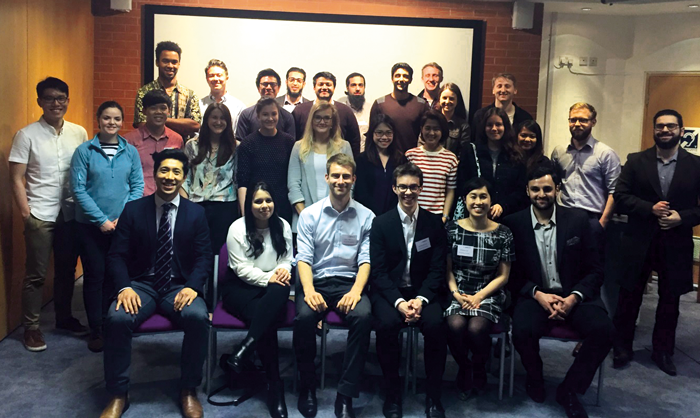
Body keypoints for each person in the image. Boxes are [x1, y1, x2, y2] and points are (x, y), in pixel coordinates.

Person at [101, 149, 212, 418]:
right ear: (155, 173)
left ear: (184, 177)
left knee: (198, 317)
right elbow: (116, 255)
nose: (169, 177)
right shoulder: (133, 210)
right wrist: (124, 287)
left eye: (176, 171)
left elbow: (204, 257)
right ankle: (118, 393)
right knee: (117, 318)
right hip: (141, 284)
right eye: (164, 170)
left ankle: (188, 389)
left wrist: (192, 286)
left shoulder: (196, 213)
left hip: (179, 286)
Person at [502, 163, 613, 418]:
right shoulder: (513, 224)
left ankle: (569, 390)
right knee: (522, 330)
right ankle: (535, 376)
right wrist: (537, 294)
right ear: (527, 191)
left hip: (575, 295)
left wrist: (573, 298)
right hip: (535, 295)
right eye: (535, 189)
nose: (541, 194)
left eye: (547, 189)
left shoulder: (578, 220)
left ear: (557, 189)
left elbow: (596, 270)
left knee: (605, 331)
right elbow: (511, 275)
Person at [612, 109, 700, 376]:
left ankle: (663, 351)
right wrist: (649, 208)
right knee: (629, 297)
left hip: (676, 243)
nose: (665, 130)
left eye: (671, 126)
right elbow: (620, 196)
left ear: (681, 131)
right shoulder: (636, 161)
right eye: (660, 126)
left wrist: (682, 217)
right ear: (654, 130)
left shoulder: (696, 165)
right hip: (638, 241)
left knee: (670, 301)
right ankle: (622, 347)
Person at [9, 77, 89, 351]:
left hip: (70, 212)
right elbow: (16, 178)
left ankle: (64, 318)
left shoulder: (79, 133)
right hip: (40, 213)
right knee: (36, 274)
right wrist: (26, 213)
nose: (56, 103)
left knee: (66, 270)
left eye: (61, 98)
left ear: (68, 100)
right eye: (49, 98)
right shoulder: (26, 135)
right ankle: (31, 328)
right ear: (40, 102)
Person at [294, 154, 374, 418]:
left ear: (354, 179)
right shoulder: (309, 214)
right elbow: (304, 259)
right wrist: (308, 291)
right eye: (336, 175)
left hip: (349, 283)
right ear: (327, 178)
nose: (341, 181)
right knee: (304, 318)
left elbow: (365, 260)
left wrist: (356, 291)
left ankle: (346, 394)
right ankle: (307, 387)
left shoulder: (367, 216)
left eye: (346, 176)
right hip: (316, 281)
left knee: (363, 316)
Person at [369, 163, 448, 418]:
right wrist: (399, 303)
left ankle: (434, 395)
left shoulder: (434, 223)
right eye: (402, 186)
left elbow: (437, 269)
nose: (408, 192)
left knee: (436, 325)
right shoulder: (380, 224)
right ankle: (392, 393)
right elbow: (378, 272)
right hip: (390, 292)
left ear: (421, 188)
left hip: (424, 291)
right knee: (387, 324)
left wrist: (421, 299)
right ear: (394, 188)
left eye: (413, 187)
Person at [70, 101, 144, 352]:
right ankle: (97, 329)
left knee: (117, 275)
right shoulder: (84, 151)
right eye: (106, 118)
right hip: (90, 227)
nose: (111, 123)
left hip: (122, 226)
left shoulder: (130, 151)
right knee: (95, 276)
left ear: (122, 121)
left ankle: (115, 324)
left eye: (116, 119)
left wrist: (123, 218)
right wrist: (101, 220)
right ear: (98, 119)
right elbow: (78, 189)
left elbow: (137, 186)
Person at [221, 182, 294, 418]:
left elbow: (287, 260)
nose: (264, 205)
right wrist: (270, 278)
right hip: (239, 288)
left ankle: (245, 349)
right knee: (268, 318)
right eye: (258, 201)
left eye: (268, 200)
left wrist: (280, 273)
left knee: (279, 291)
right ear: (249, 205)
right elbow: (241, 269)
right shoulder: (237, 228)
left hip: (272, 289)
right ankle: (275, 385)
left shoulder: (282, 225)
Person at [445, 177, 512, 400]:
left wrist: (479, 296)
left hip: (489, 293)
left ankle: (479, 365)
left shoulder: (503, 233)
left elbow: (503, 275)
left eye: (483, 196)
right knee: (455, 325)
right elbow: (447, 270)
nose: (478, 201)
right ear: (464, 200)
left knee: (476, 328)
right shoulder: (452, 229)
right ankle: (465, 366)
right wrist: (456, 294)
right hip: (458, 291)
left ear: (491, 200)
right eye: (473, 196)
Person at [551, 102, 620, 229]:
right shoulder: (559, 152)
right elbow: (554, 184)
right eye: (573, 120)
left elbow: (614, 192)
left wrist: (602, 223)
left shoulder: (606, 154)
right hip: (563, 214)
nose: (577, 124)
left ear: (593, 122)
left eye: (583, 120)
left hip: (592, 218)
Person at [288, 102, 353, 231]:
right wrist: (306, 217)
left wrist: (339, 212)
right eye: (318, 117)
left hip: (337, 218)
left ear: (333, 122)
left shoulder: (344, 147)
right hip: (305, 219)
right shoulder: (299, 147)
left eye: (327, 118)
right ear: (311, 121)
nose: (322, 122)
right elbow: (293, 186)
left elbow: (350, 184)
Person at [184, 103, 239, 254]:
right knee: (196, 250)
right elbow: (185, 178)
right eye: (214, 117)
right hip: (196, 205)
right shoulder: (192, 145)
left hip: (225, 206)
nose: (218, 122)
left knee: (219, 252)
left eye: (222, 118)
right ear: (207, 119)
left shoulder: (236, 147)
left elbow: (238, 179)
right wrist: (185, 206)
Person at [453, 107, 527, 221]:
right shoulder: (471, 151)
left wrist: (502, 206)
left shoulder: (516, 154)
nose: (494, 128)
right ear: (484, 127)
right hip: (475, 216)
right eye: (489, 125)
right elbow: (462, 184)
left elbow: (521, 189)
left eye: (498, 124)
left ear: (505, 127)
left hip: (508, 217)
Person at [237, 97, 295, 224]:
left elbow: (293, 178)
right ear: (258, 116)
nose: (270, 118)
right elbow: (242, 181)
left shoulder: (289, 142)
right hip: (257, 205)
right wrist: (244, 214)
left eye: (273, 114)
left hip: (283, 205)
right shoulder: (248, 143)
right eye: (265, 114)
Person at [133, 41, 201, 139]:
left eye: (174, 62)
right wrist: (181, 124)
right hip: (151, 146)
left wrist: (158, 118)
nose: (170, 66)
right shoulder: (144, 92)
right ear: (157, 62)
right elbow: (141, 124)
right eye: (165, 61)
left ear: (179, 64)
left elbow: (195, 125)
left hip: (182, 147)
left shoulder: (190, 95)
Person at [123, 90, 185, 196]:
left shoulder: (177, 139)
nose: (158, 112)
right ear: (144, 111)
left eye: (163, 108)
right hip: (139, 199)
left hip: (168, 199)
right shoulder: (129, 141)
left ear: (169, 111)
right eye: (153, 108)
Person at [291, 71, 361, 156]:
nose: (324, 87)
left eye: (328, 84)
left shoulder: (346, 111)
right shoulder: (300, 110)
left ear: (334, 88)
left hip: (338, 160)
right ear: (314, 88)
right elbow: (293, 138)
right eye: (320, 84)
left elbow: (354, 140)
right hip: (305, 158)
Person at [405, 111, 458, 221]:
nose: (431, 133)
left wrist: (445, 216)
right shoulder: (410, 155)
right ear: (421, 129)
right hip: (412, 214)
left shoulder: (451, 158)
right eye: (427, 128)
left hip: (437, 216)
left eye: (436, 129)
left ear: (442, 131)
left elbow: (450, 191)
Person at [354, 114, 408, 216]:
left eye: (388, 133)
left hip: (394, 215)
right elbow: (361, 193)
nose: (384, 137)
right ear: (372, 134)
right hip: (367, 216)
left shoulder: (401, 159)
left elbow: (402, 189)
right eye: (379, 133)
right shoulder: (362, 160)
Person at [370, 63, 430, 154]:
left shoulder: (421, 105)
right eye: (397, 76)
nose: (401, 79)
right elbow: (372, 135)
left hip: (412, 157)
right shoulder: (380, 104)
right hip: (385, 157)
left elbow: (427, 135)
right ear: (392, 79)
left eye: (405, 76)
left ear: (410, 80)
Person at [236, 68, 296, 141]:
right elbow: (240, 143)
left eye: (273, 84)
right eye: (265, 84)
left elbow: (290, 144)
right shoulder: (246, 114)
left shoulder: (287, 117)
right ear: (258, 87)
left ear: (279, 88)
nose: (268, 87)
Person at [470, 73, 533, 140]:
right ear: (493, 90)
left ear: (515, 90)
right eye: (499, 86)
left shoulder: (525, 118)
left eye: (507, 86)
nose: (503, 90)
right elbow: (475, 141)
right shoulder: (481, 115)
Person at [199, 59, 246, 136]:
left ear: (226, 78)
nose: (216, 79)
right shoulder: (199, 105)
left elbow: (239, 135)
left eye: (219, 75)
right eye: (211, 75)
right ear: (207, 79)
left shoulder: (239, 107)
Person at [336, 72, 371, 150]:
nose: (357, 89)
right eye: (353, 85)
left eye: (360, 85)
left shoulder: (371, 109)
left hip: (365, 154)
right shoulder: (339, 109)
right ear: (347, 88)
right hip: (344, 153)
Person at [438, 83, 470, 157]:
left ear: (457, 101)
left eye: (451, 99)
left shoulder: (463, 126)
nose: (447, 101)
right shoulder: (431, 121)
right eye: (444, 98)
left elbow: (464, 152)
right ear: (439, 99)